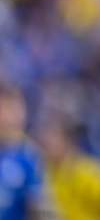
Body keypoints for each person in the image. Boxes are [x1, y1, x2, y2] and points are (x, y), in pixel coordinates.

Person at [0, 83, 47, 220]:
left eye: (18, 108)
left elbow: (38, 206)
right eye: (6, 108)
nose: (13, 115)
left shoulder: (29, 154)